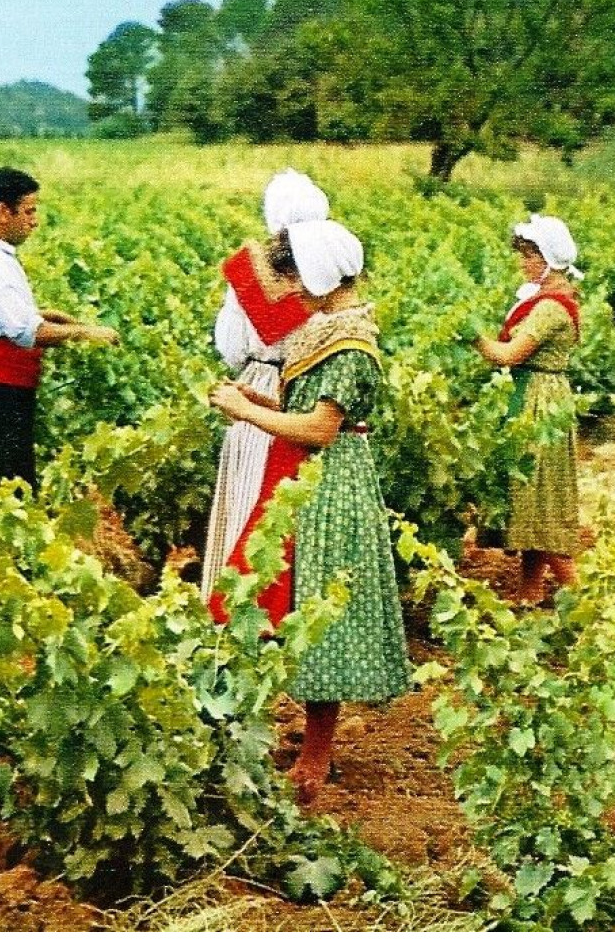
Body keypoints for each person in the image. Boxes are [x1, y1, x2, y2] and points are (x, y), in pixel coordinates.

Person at [208, 220, 411, 804]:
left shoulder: (350, 345)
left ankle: (316, 753)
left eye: (296, 275)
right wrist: (258, 400)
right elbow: (307, 410)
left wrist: (247, 415)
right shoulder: (331, 333)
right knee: (271, 596)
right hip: (303, 476)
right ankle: (278, 738)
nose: (290, 289)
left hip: (327, 482)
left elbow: (322, 429)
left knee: (317, 610)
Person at [200, 169, 328, 601]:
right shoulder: (329, 268)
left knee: (249, 492)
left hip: (260, 381)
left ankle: (238, 601)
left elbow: (232, 347)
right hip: (313, 385)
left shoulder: (250, 267)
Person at [0, 167, 117, 488]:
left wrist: (48, 314)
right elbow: (25, 331)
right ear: (1, 211)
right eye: (28, 211)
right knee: (6, 483)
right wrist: (86, 333)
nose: (34, 220)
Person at [476, 214, 584, 606]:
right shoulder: (547, 299)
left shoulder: (552, 308)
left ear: (548, 258)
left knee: (540, 500)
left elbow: (508, 354)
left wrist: (471, 335)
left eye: (528, 255)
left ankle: (583, 602)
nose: (522, 262)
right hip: (535, 393)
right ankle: (529, 590)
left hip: (541, 401)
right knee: (530, 498)